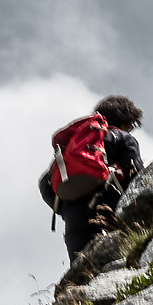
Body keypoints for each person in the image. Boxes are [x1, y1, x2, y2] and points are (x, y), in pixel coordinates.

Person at [38, 95, 144, 258]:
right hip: (109, 211)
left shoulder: (76, 145)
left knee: (81, 274)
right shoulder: (122, 138)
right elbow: (136, 175)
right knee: (122, 260)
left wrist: (65, 210)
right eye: (131, 125)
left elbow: (45, 184)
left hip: (74, 221)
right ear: (125, 121)